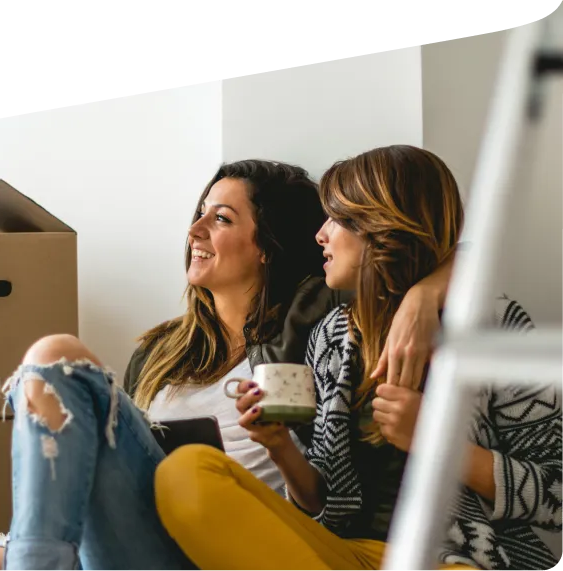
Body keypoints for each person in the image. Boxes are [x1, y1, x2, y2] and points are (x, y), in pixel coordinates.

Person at [0, 159, 454, 571]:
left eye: (221, 218)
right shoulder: (159, 352)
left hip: (221, 545)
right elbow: (88, 480)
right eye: (200, 213)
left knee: (57, 355)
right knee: (54, 365)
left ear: (267, 248)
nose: (194, 230)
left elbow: (436, 250)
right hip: (137, 541)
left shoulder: (313, 324)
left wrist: (423, 294)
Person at [154, 145, 563, 571]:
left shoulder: (492, 327)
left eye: (338, 220)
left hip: (458, 561)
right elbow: (324, 500)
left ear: (383, 227)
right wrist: (278, 446)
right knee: (188, 470)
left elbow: (557, 494)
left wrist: (438, 441)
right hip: (351, 555)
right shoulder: (330, 335)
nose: (320, 235)